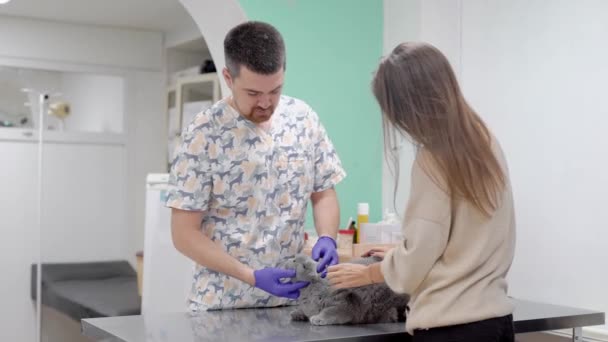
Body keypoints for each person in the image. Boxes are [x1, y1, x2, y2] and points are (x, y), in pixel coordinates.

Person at [327, 42, 516, 342]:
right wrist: (400, 251)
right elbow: (464, 241)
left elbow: (417, 260)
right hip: (496, 323)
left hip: (450, 327)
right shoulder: (486, 142)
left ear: (408, 107)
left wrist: (368, 274)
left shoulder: (434, 158)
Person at [166, 21, 346, 311]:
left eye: (275, 90)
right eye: (253, 93)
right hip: (222, 306)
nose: (265, 103)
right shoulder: (203, 133)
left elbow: (324, 192)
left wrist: (328, 237)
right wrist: (250, 276)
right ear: (228, 77)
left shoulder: (303, 119)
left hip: (293, 303)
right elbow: (184, 234)